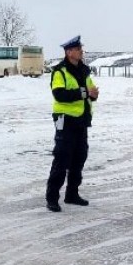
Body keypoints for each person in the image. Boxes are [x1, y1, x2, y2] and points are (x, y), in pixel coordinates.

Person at [45, 35, 99, 212]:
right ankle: (52, 198)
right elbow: (59, 95)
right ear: (69, 52)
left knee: (79, 158)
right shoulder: (59, 71)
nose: (81, 51)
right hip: (65, 121)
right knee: (62, 159)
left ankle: (72, 194)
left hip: (81, 121)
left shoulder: (84, 70)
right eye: (78, 49)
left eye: (81, 49)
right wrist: (85, 92)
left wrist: (94, 94)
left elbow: (90, 91)